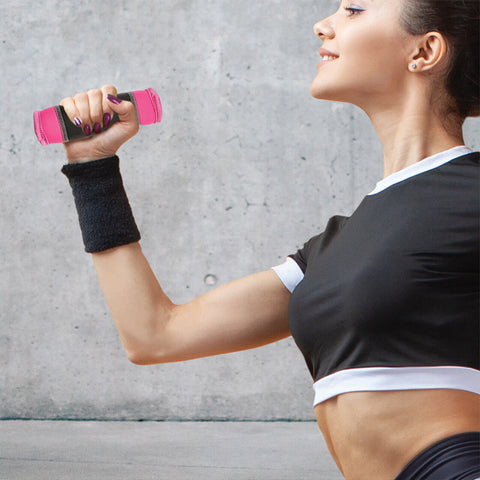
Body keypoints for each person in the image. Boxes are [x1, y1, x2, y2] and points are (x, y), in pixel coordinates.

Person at [57, 0, 480, 479]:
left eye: (355, 10)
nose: (323, 26)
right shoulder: (332, 248)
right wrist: (93, 168)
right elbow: (155, 334)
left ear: (424, 51)